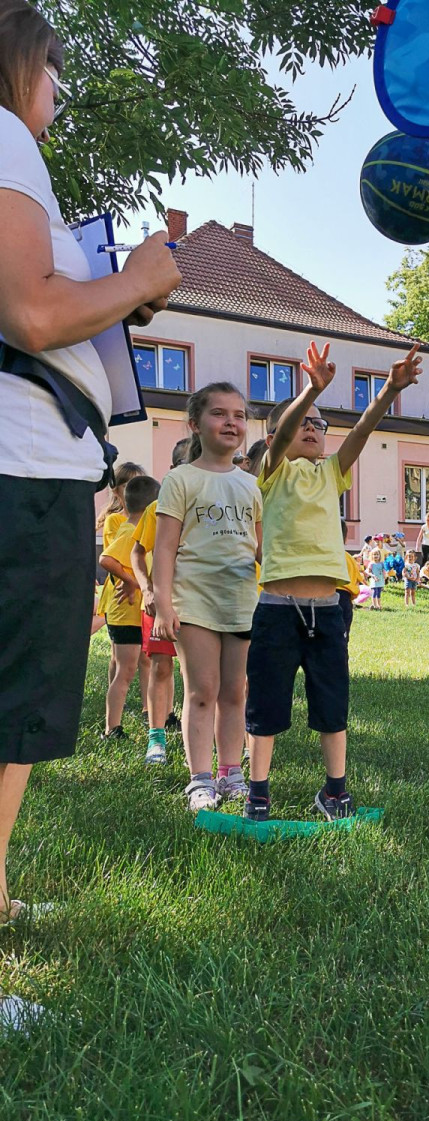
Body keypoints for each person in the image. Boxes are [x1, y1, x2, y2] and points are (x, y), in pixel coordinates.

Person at [0, 0, 181, 922]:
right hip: (21, 462)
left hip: (34, 458)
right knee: (10, 697)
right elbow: (31, 317)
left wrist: (116, 299)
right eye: (54, 67)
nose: (62, 88)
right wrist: (141, 280)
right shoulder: (2, 136)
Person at [245, 341, 422, 822]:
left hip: (327, 611)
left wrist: (387, 389)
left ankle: (335, 791)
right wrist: (310, 391)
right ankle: (258, 791)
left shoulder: (331, 473)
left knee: (332, 703)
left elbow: (363, 431)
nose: (313, 429)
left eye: (319, 424)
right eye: (304, 422)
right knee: (266, 705)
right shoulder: (272, 471)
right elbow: (280, 436)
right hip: (277, 611)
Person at [152, 384, 262, 811]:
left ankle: (231, 772)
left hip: (241, 601)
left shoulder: (250, 485)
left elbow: (260, 547)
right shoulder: (180, 480)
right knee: (202, 691)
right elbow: (164, 547)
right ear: (196, 425)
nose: (232, 422)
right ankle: (200, 779)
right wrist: (163, 603)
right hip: (194, 600)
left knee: (236, 691)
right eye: (220, 414)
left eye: (239, 414)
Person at [130, 436, 191, 764]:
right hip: (160, 604)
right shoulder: (157, 508)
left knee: (197, 675)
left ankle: (199, 736)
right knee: (161, 667)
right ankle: (157, 739)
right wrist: (147, 588)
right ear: (172, 470)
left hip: (200, 603)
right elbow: (137, 552)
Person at [98, 474, 160, 738]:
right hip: (124, 613)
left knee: (142, 663)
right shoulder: (129, 531)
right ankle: (112, 727)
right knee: (126, 670)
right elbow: (106, 559)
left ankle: (150, 714)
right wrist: (132, 581)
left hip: (138, 614)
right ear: (150, 509)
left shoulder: (140, 530)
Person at [336, 518, 365, 636]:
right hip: (346, 600)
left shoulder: (327, 558)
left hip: (329, 596)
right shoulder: (350, 559)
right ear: (345, 539)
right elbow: (358, 580)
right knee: (344, 634)